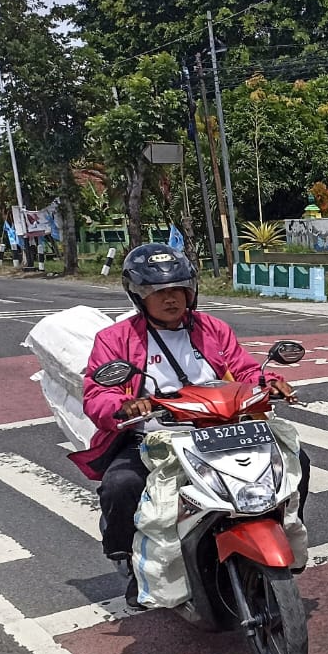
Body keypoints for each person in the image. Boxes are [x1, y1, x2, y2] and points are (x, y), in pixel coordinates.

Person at [73, 244, 310, 593]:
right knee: (120, 485)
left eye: (177, 290)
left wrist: (270, 383)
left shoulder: (211, 328)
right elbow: (97, 392)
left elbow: (244, 369)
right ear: (138, 296)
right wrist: (124, 405)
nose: (171, 299)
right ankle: (128, 558)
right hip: (156, 439)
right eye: (159, 292)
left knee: (296, 459)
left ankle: (284, 524)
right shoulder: (115, 339)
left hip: (223, 430)